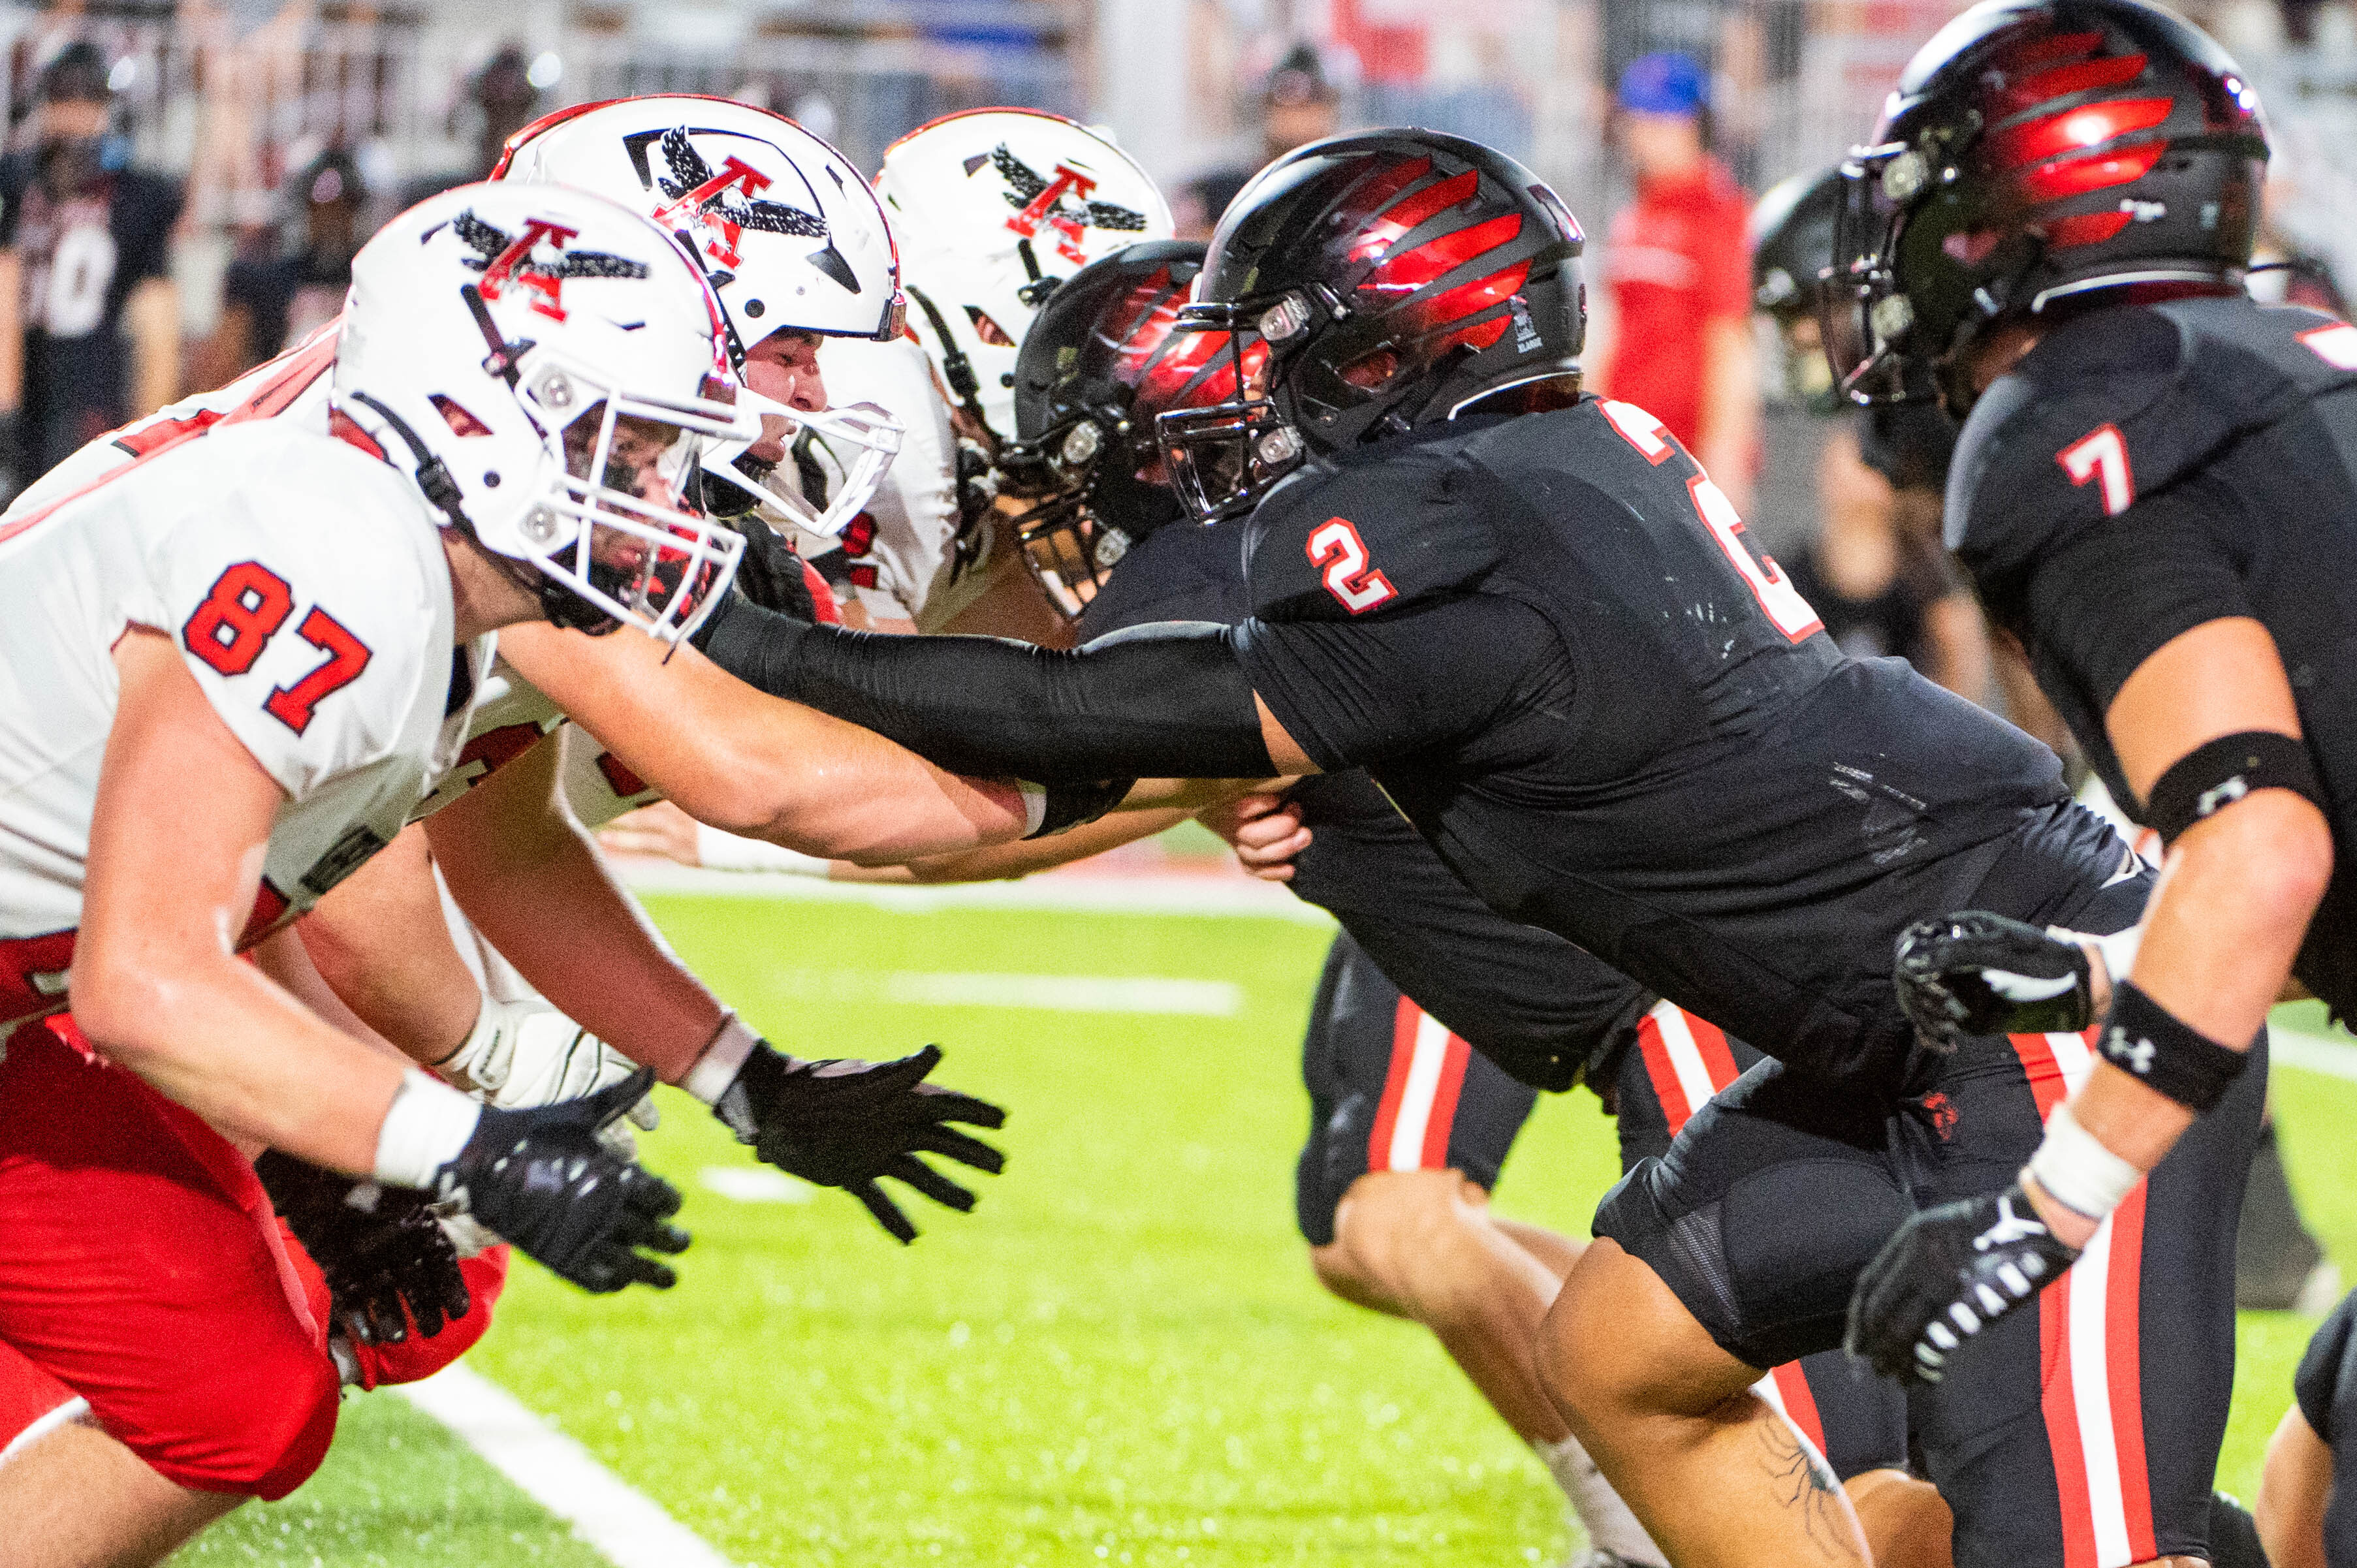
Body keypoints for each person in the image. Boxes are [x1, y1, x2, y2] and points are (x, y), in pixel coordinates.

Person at [682, 127, 2259, 1567]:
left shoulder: (1457, 522)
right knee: (1619, 1351)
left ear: (1392, 339)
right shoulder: (1534, 470)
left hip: (2032, 1019)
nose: (1246, 392)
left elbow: (1075, 711)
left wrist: (754, 641)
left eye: (1278, 345)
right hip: (1872, 1027)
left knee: (2077, 1542)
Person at [0, 181, 722, 1568]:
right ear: (476, 416)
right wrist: (464, 1139)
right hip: (62, 992)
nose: (656, 497)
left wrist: (316, 1147)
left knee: (245, 1399)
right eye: (619, 445)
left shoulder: (416, 605)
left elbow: (211, 889)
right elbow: (144, 978)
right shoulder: (326, 558)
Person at [1822, 1, 2348, 1449]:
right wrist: (2097, 968)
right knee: (2308, 1493)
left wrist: (2040, 1210)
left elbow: (2263, 853)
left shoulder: (2078, 416)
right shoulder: (2299, 353)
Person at [0, 40, 182, 491]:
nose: (74, 116)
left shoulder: (138, 195)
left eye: (83, 101)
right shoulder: (18, 179)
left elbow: (157, 324)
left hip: (91, 389)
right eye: (66, 99)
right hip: (34, 388)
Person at [1590, 52, 1759, 510]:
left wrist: (1724, 462)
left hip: (1686, 462)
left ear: (1696, 128)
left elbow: (1730, 341)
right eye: (1638, 120)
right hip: (1627, 452)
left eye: (1662, 121)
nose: (1644, 136)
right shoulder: (1633, 215)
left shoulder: (1719, 212)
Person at [1175, 41, 1347, 242]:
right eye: (1286, 99)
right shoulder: (1219, 196)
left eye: (1311, 103)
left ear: (1329, 110)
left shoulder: (1352, 195)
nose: (1297, 116)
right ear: (1267, 108)